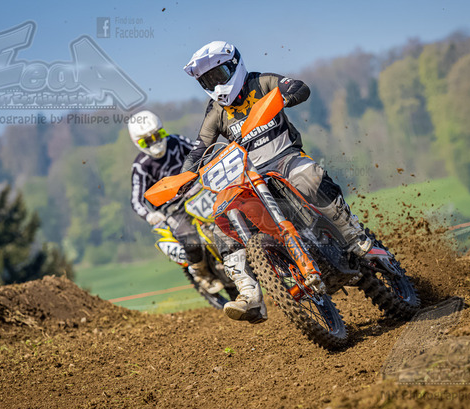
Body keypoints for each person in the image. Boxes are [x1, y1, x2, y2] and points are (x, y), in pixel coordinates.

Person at [182, 41, 375, 323]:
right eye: (208, 81)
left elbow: (299, 87)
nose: (215, 84)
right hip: (250, 177)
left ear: (234, 66)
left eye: (218, 75)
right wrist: (184, 176)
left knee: (308, 177)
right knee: (224, 222)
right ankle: (249, 295)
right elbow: (200, 148)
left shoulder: (261, 82)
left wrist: (286, 96)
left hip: (285, 159)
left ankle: (354, 235)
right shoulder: (216, 112)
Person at [128, 110, 223, 294]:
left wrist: (213, 164)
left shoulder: (176, 141)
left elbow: (200, 152)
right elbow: (135, 200)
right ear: (138, 143)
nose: (155, 142)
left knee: (228, 211)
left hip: (198, 191)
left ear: (163, 130)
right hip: (172, 208)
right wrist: (150, 215)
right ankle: (201, 274)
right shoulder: (141, 165)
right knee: (190, 239)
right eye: (147, 141)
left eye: (158, 135)